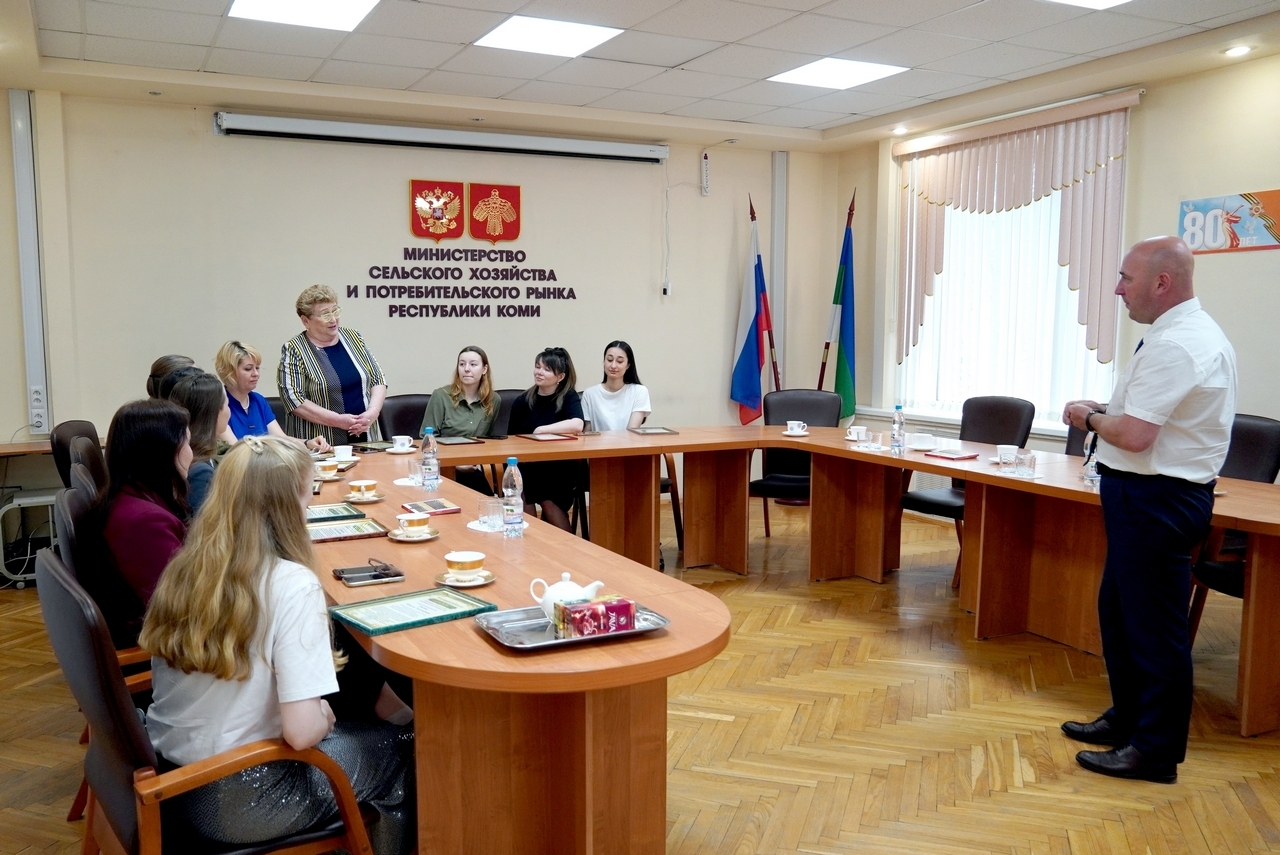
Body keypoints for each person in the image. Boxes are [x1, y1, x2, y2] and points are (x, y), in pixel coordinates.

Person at [139, 436, 414, 855]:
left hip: (173, 783)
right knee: (408, 746)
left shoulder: (185, 566)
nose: (310, 507)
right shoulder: (291, 584)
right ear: (287, 508)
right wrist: (322, 714)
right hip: (246, 797)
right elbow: (301, 733)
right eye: (307, 497)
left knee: (357, 718)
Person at [1061, 236, 1236, 784]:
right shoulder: (1175, 333)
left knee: (1155, 630)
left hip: (1157, 500)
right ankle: (1130, 719)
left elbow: (1136, 437)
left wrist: (1087, 419)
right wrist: (1105, 409)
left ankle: (1155, 752)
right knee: (1120, 615)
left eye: (1126, 278)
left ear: (1162, 283)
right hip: (1143, 497)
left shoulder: (1179, 344)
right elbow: (1151, 418)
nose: (1118, 289)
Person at [95, 398, 191, 646]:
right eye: (187, 443)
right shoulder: (144, 522)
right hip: (168, 646)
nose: (192, 454)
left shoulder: (135, 497)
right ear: (163, 453)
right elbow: (181, 605)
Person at [278, 285, 387, 447]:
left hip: (365, 439)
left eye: (335, 311)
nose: (333, 319)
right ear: (305, 320)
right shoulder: (295, 349)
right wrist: (337, 420)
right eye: (325, 314)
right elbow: (293, 399)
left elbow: (377, 378)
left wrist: (373, 412)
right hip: (320, 444)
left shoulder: (353, 337)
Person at [507, 347, 584, 531]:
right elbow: (511, 439)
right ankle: (530, 541)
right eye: (537, 366)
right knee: (521, 491)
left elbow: (577, 424)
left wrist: (542, 430)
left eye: (547, 369)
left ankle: (567, 545)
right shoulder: (522, 401)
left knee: (549, 501)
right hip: (527, 464)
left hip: (558, 466)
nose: (539, 372)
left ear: (560, 377)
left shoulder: (568, 397)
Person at [215, 340, 330, 452]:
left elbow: (282, 439)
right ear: (229, 372)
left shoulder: (259, 401)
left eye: (257, 368)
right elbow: (237, 453)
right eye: (248, 369)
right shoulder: (219, 406)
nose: (256, 374)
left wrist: (308, 443)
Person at [421, 345, 499, 495]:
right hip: (443, 467)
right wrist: (455, 464)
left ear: (484, 369)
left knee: (486, 501)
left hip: (474, 467)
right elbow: (427, 440)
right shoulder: (441, 396)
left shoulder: (493, 400)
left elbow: (489, 440)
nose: (466, 369)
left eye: (473, 364)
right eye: (462, 364)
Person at [167, 372, 232, 514]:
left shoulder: (180, 454)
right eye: (227, 405)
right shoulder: (200, 473)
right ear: (215, 413)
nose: (229, 411)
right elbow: (204, 525)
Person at [580, 340, 652, 431]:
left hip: (628, 440)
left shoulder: (639, 391)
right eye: (609, 360)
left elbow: (632, 432)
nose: (613, 366)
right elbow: (587, 433)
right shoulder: (589, 394)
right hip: (598, 441)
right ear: (604, 361)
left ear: (628, 365)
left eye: (620, 361)